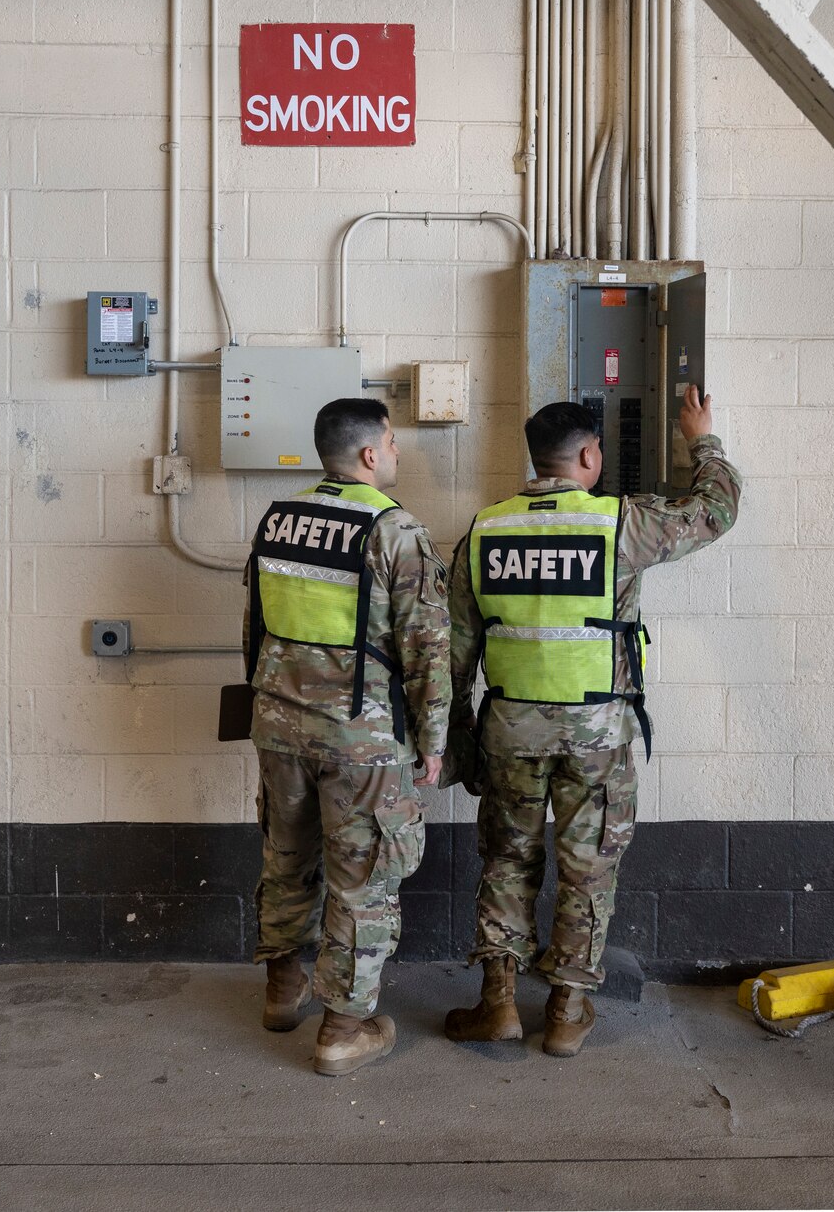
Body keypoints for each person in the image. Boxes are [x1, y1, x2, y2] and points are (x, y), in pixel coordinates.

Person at [444, 385, 740, 1056]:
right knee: (588, 868)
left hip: (509, 731)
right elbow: (716, 508)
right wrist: (703, 438)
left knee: (506, 862)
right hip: (597, 737)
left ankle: (497, 1004)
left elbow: (454, 654)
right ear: (587, 456)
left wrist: (457, 744)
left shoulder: (484, 531)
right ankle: (567, 1011)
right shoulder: (619, 524)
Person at [243, 397, 450, 1077]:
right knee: (363, 877)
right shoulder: (394, 530)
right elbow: (427, 649)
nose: (396, 452)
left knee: (286, 853)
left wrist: (269, 703)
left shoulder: (278, 518)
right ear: (369, 453)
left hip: (277, 724)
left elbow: (255, 628)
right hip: (356, 736)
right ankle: (343, 1027)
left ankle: (282, 989)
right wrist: (433, 737)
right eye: (392, 441)